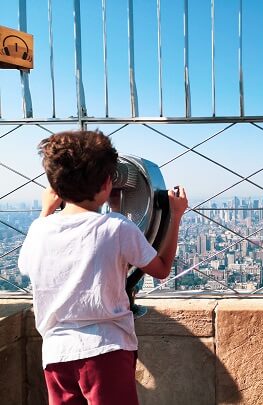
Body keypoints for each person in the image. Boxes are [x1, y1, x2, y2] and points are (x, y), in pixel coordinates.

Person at [18, 130, 188, 405]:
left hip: (56, 354)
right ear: (108, 182)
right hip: (106, 350)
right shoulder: (118, 228)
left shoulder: (40, 229)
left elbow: (26, 265)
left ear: (53, 187)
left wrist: (46, 211)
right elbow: (161, 269)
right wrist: (175, 215)